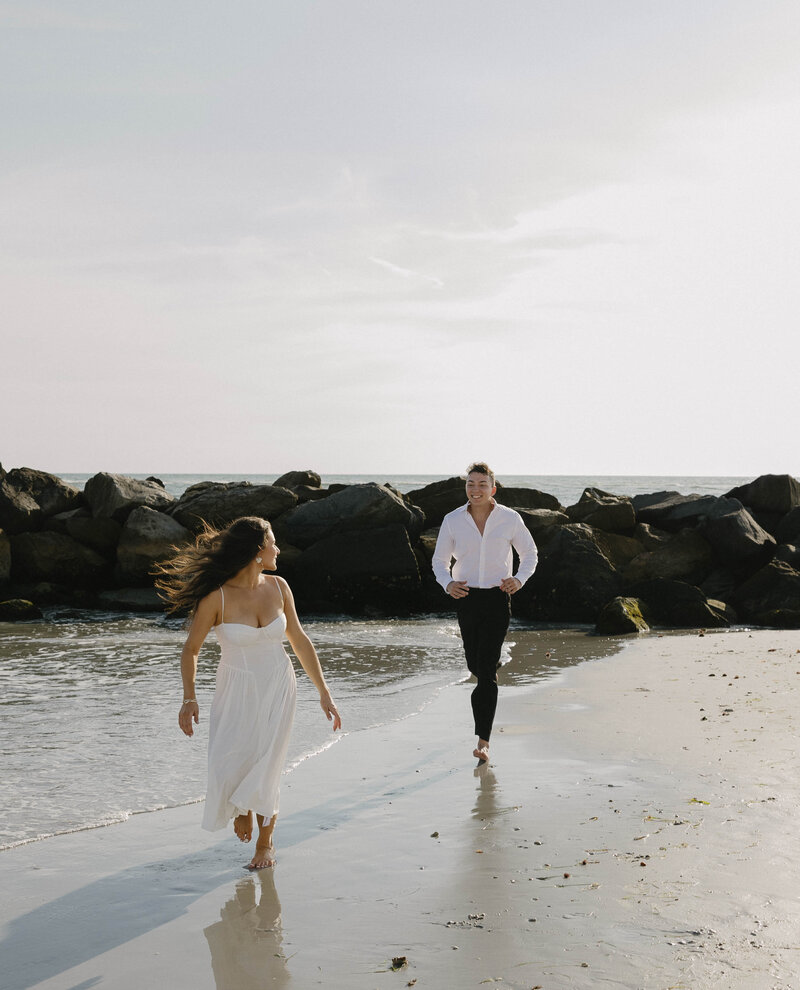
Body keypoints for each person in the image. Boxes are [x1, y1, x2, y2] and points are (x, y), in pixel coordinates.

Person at [155, 516, 340, 869]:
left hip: (278, 683)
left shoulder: (280, 587)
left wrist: (324, 691)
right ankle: (240, 806)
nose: (278, 549)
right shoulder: (217, 597)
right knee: (231, 758)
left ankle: (265, 844)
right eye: (272, 542)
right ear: (257, 551)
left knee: (269, 762)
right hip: (235, 688)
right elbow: (191, 649)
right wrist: (189, 697)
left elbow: (299, 640)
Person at [432, 463, 537, 765]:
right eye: (470, 484)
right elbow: (439, 560)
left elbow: (529, 553)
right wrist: (447, 583)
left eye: (482, 484)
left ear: (493, 488)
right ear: (465, 487)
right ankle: (492, 662)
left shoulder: (509, 519)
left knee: (486, 675)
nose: (475, 489)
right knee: (475, 665)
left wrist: (519, 578)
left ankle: (483, 742)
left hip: (496, 597)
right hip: (466, 598)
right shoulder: (452, 520)